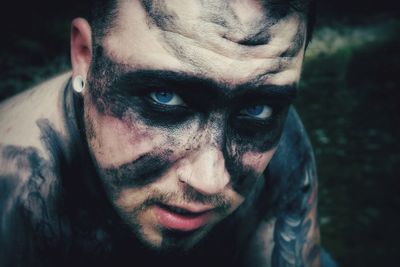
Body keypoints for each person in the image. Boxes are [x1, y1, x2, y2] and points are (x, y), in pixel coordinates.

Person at [0, 0, 337, 266]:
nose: (210, 180)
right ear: (86, 57)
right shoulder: (14, 188)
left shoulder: (282, 142)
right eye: (164, 98)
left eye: (257, 108)